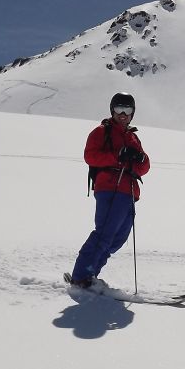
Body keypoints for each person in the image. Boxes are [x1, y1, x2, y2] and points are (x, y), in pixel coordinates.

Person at [69, 92, 150, 289]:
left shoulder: (133, 138)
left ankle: (90, 274)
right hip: (110, 187)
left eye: (127, 110)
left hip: (128, 190)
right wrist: (118, 157)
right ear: (112, 111)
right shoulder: (101, 132)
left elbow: (145, 166)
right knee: (105, 233)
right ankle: (81, 276)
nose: (123, 114)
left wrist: (138, 159)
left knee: (119, 237)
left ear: (132, 114)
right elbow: (91, 156)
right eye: (119, 109)